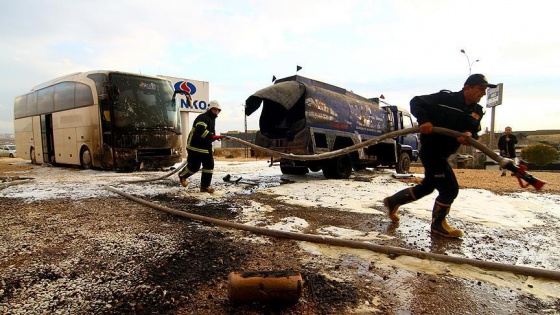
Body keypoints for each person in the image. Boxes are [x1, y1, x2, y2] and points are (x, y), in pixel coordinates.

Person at [383, 74, 496, 238]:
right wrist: (424, 121)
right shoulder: (446, 98)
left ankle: (393, 201)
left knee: (427, 187)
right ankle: (438, 225)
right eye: (480, 89)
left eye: (485, 90)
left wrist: (468, 134)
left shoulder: (476, 111)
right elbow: (416, 102)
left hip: (445, 153)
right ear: (467, 88)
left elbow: (474, 131)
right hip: (431, 151)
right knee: (449, 189)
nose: (483, 93)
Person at [178, 100, 223, 193]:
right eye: (215, 110)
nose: (216, 112)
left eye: (218, 110)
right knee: (194, 167)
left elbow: (209, 134)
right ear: (210, 109)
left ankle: (205, 187)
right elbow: (200, 131)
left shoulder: (212, 119)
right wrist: (212, 136)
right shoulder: (203, 117)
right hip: (195, 146)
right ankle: (182, 175)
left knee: (209, 166)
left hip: (206, 147)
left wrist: (214, 137)